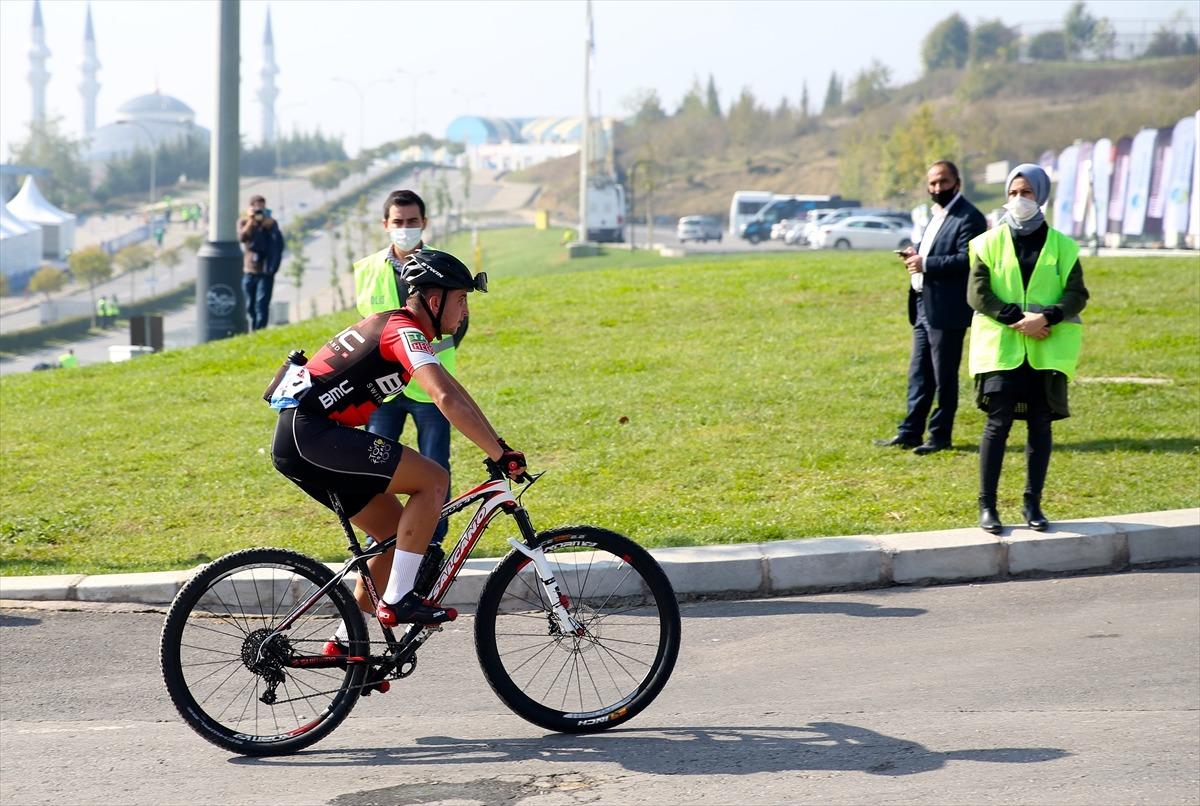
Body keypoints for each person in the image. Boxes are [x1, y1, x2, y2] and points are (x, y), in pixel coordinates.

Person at [268, 249, 525, 654]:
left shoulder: (404, 330)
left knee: (392, 535)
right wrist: (495, 451)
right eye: (461, 300)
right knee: (433, 478)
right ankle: (397, 601)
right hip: (312, 436)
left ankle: (343, 645)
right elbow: (442, 397)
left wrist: (500, 446)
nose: (466, 311)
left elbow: (455, 390)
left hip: (306, 439)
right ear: (434, 300)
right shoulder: (402, 330)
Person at [967, 164, 1089, 534]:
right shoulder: (987, 242)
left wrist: (1047, 317)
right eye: (1014, 192)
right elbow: (977, 291)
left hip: (1045, 348)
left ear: (1041, 196)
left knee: (1040, 425)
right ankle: (987, 506)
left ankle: (1032, 503)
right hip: (1003, 349)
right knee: (997, 424)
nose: (1019, 199)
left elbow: (1076, 294)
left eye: (1027, 193)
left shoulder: (1063, 246)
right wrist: (1015, 318)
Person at [353, 189, 465, 545]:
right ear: (386, 225)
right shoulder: (367, 270)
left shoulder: (442, 266)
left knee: (435, 468)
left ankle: (431, 543)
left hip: (429, 389)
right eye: (398, 222)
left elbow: (459, 322)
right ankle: (380, 539)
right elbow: (366, 326)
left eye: (412, 221)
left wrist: (423, 355)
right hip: (383, 389)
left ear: (424, 223)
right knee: (374, 469)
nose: (405, 228)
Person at [875, 160, 988, 455]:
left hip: (947, 310)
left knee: (943, 376)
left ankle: (939, 435)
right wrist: (916, 255)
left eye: (943, 182)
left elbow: (968, 259)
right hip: (923, 305)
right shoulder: (937, 216)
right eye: (933, 183)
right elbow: (935, 252)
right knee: (919, 373)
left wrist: (926, 264)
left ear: (957, 183)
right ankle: (910, 432)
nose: (937, 188)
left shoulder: (969, 217)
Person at [238, 194, 286, 331]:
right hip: (249, 270)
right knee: (250, 305)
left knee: (262, 303)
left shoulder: (271, 223)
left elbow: (277, 243)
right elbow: (242, 237)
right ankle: (254, 327)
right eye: (257, 207)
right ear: (251, 208)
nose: (259, 211)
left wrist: (269, 226)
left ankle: (259, 330)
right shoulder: (244, 222)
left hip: (266, 270)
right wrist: (250, 220)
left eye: (262, 207)